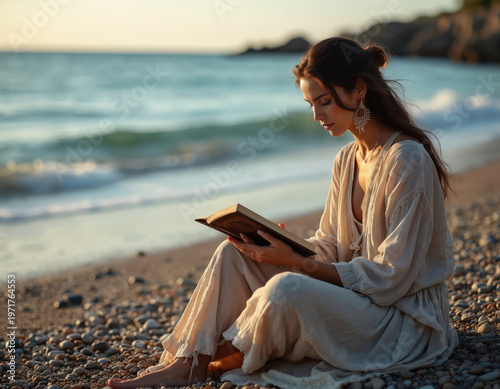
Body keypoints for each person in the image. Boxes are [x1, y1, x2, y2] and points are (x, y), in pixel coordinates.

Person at [107, 37, 458, 389]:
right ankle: (191, 362)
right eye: (311, 105)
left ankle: (216, 355)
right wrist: (283, 246)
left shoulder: (407, 160)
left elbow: (391, 277)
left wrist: (296, 264)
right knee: (233, 252)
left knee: (287, 288)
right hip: (358, 300)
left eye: (324, 101)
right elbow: (332, 245)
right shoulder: (347, 160)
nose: (318, 115)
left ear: (358, 91)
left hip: (400, 319)